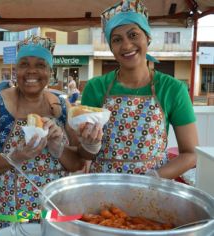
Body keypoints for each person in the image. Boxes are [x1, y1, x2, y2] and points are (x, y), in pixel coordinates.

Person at [0, 35, 102, 231]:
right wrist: (13, 158)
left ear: (50, 72)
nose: (31, 71)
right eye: (24, 64)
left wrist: (59, 148)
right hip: (12, 212)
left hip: (53, 212)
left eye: (40, 65)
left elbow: (78, 162)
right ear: (16, 70)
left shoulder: (62, 105)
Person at [81, 0, 198, 179]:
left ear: (148, 38)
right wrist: (90, 146)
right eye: (117, 39)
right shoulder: (95, 88)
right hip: (104, 188)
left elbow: (190, 154)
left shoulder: (172, 89)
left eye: (133, 35)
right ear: (111, 47)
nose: (127, 45)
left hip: (152, 191)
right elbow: (85, 156)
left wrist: (153, 177)